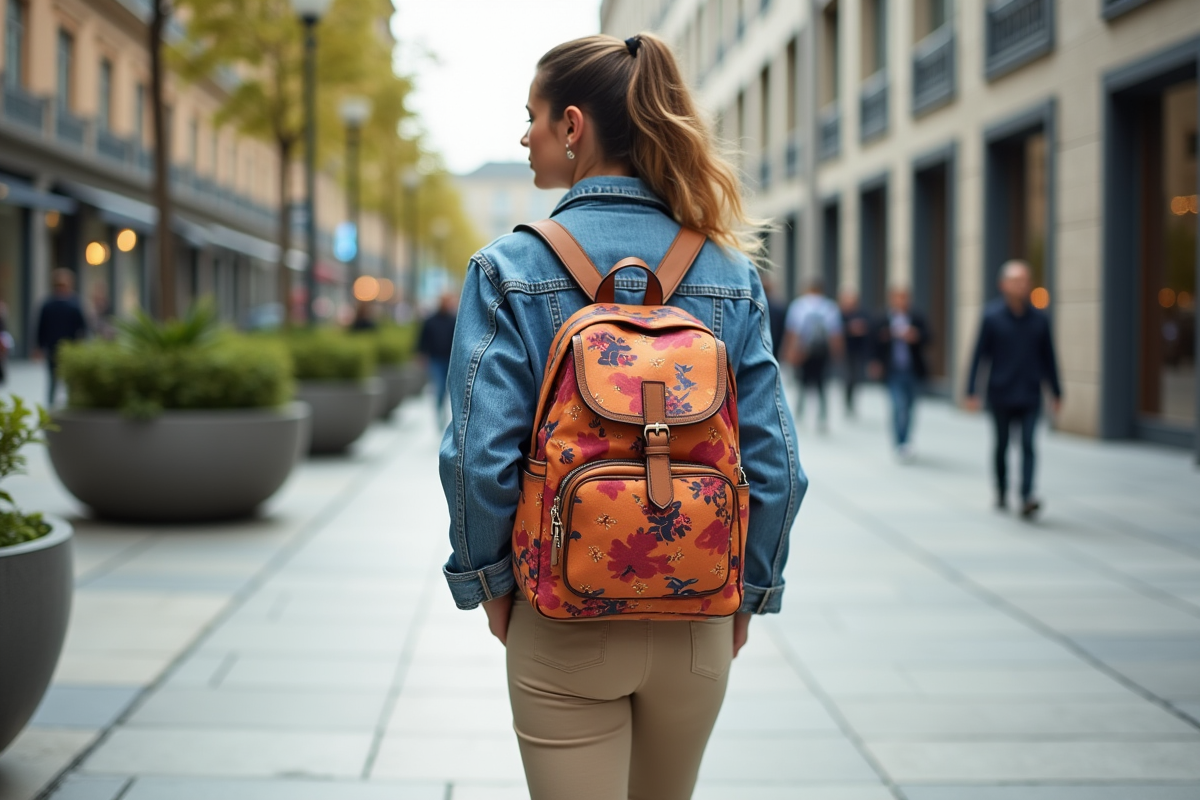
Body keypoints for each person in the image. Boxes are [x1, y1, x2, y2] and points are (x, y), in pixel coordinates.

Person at [438, 33, 804, 800]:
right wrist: (750, 591)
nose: (524, 136)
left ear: (573, 127)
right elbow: (774, 461)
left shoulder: (508, 269)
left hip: (561, 610)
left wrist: (490, 585)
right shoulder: (731, 273)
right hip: (697, 609)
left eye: (531, 117)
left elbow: (477, 457)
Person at [966, 260, 1062, 519]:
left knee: (1029, 444)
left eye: (1025, 280)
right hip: (1000, 392)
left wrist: (1056, 391)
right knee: (1002, 445)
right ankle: (1001, 489)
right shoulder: (991, 317)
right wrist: (971, 390)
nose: (1022, 285)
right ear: (1003, 285)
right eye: (1017, 280)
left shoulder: (1040, 320)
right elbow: (979, 355)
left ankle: (1027, 495)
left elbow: (1049, 357)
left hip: (1030, 393)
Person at [871, 286, 929, 460]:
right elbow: (873, 342)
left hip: (912, 370)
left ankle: (907, 439)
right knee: (898, 406)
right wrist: (875, 362)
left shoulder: (916, 317)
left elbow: (929, 337)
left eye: (905, 298)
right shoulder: (882, 318)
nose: (902, 301)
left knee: (910, 407)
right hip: (893, 370)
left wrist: (915, 336)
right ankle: (900, 442)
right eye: (898, 297)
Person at [783, 278, 843, 431]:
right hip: (822, 352)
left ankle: (799, 414)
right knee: (821, 385)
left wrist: (789, 351)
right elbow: (835, 333)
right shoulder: (829, 307)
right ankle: (822, 418)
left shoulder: (799, 305)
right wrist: (837, 354)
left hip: (803, 351)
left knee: (802, 383)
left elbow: (792, 331)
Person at [35, 269, 88, 407]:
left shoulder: (49, 304)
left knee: (60, 379)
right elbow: (83, 327)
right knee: (59, 379)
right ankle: (60, 405)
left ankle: (57, 406)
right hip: (64, 347)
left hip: (62, 347)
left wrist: (39, 346)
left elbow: (82, 327)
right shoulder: (72, 304)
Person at [418, 291, 457, 424]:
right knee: (439, 386)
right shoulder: (430, 321)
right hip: (436, 359)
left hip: (450, 360)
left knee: (449, 388)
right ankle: (440, 411)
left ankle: (446, 412)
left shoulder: (454, 320)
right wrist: (421, 354)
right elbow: (423, 339)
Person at [839, 288, 871, 417]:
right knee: (849, 376)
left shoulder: (862, 313)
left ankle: (851, 401)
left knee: (855, 377)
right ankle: (847, 402)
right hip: (845, 350)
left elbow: (870, 327)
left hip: (857, 350)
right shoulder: (839, 313)